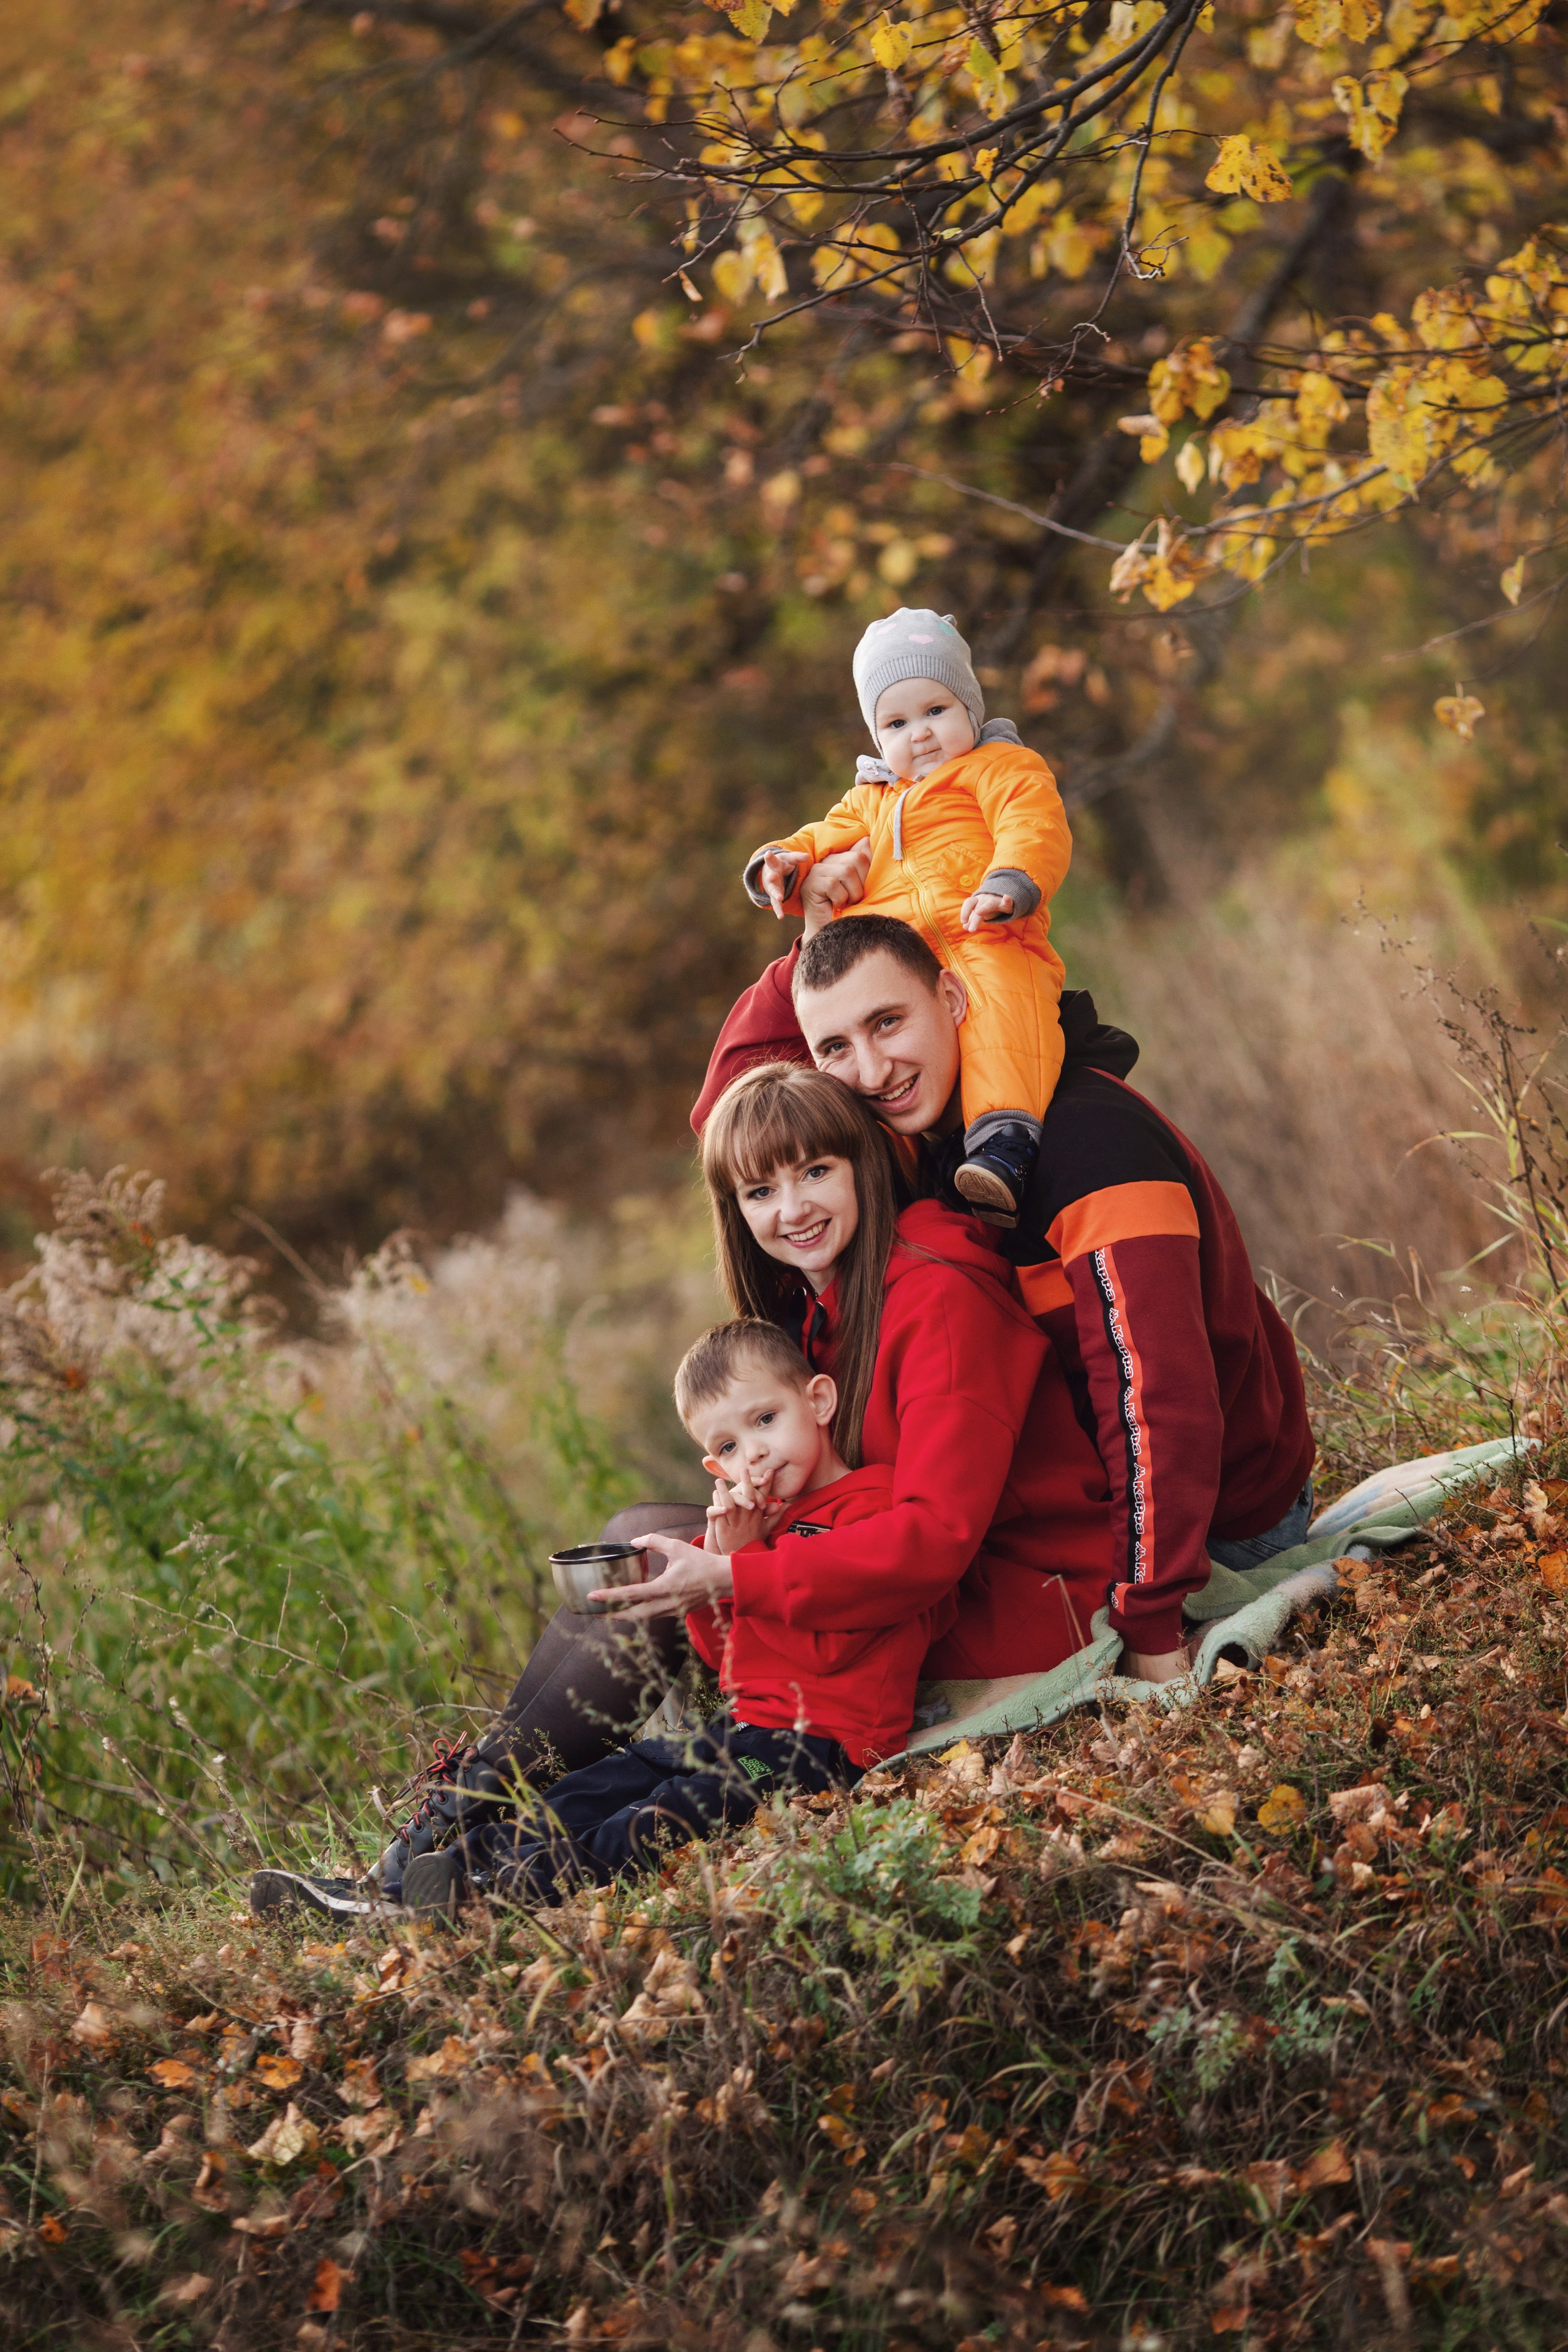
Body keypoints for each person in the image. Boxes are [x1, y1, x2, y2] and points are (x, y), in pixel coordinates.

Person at [248, 1063, 1114, 1921]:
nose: (795, 1208)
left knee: (667, 1599)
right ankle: (438, 1847)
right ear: (733, 1210)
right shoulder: (827, 1305)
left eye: (817, 1173)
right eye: (760, 1191)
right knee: (640, 1547)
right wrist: (737, 1544)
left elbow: (933, 1542)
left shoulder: (938, 1297)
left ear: (866, 1163)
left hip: (1004, 1595)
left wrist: (733, 1576)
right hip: (868, 1575)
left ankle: (441, 1853)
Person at [691, 903, 1316, 1687]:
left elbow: (1160, 1402)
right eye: (835, 1048)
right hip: (1068, 1511)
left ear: (952, 1000)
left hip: (1221, 1522)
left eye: (888, 1022)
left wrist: (1149, 1618)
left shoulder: (1091, 1145)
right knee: (663, 1546)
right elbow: (730, 1113)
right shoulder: (925, 1135)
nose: (873, 1071)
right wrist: (813, 935)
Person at [395, 1315, 948, 1915]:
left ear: (817, 1400)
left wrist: (742, 1562)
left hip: (818, 1749)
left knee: (671, 1810)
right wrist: (713, 1569)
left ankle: (494, 1891)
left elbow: (828, 1651)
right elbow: (726, 1662)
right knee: (608, 1780)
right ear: (716, 1470)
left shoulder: (871, 1509)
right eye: (729, 1447)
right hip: (742, 1728)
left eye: (765, 1419)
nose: (754, 1451)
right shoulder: (763, 1525)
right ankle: (445, 1870)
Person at [744, 608, 1071, 1221]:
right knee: (875, 1046)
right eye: (896, 722)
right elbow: (822, 835)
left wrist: (1010, 883)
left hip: (984, 932)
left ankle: (1003, 1142)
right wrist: (783, 865)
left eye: (935, 712)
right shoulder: (869, 799)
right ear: (875, 736)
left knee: (1002, 1014)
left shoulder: (1000, 767)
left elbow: (1032, 825)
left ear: (969, 708)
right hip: (899, 960)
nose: (918, 734)